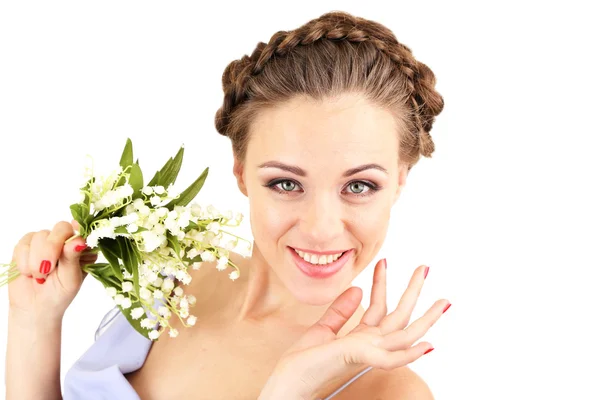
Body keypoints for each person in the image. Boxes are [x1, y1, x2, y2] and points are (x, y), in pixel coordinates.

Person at [5, 10, 449, 400]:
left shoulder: (390, 392)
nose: (321, 229)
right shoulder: (175, 274)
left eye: (359, 187)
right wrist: (34, 321)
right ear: (240, 172)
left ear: (399, 182)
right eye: (286, 183)